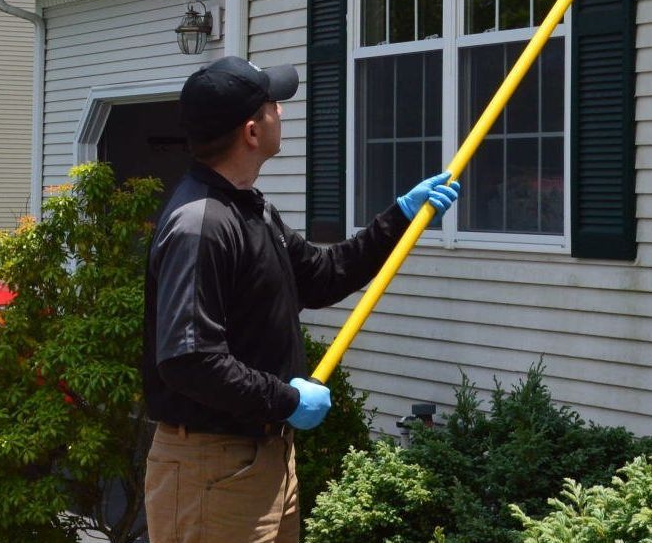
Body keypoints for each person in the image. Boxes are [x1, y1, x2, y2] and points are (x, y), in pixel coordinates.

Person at [142, 55, 460, 543]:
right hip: (214, 468)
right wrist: (287, 399)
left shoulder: (250, 209)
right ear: (252, 131)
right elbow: (189, 359)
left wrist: (400, 216)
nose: (282, 112)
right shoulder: (201, 225)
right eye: (273, 104)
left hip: (262, 460)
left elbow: (322, 276)